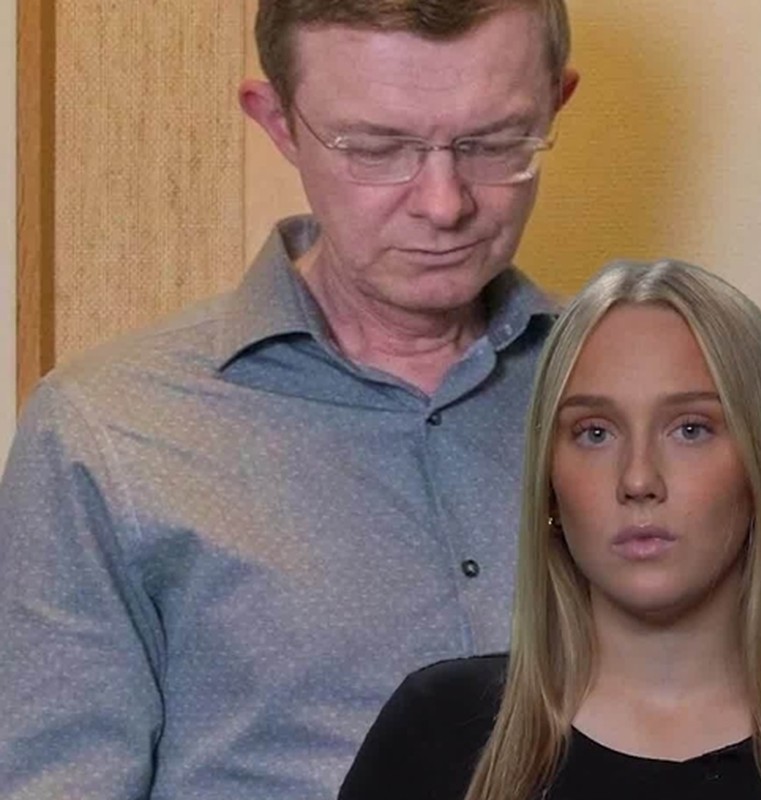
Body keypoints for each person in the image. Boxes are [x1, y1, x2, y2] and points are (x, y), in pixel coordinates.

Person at [0, 2, 578, 798]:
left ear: (555, 103)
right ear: (277, 123)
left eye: (493, 142)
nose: (444, 205)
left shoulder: (642, 397)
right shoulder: (106, 429)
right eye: (375, 148)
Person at [338, 259, 761, 800]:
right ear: (549, 483)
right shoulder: (437, 734)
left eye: (690, 429)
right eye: (594, 433)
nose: (637, 479)